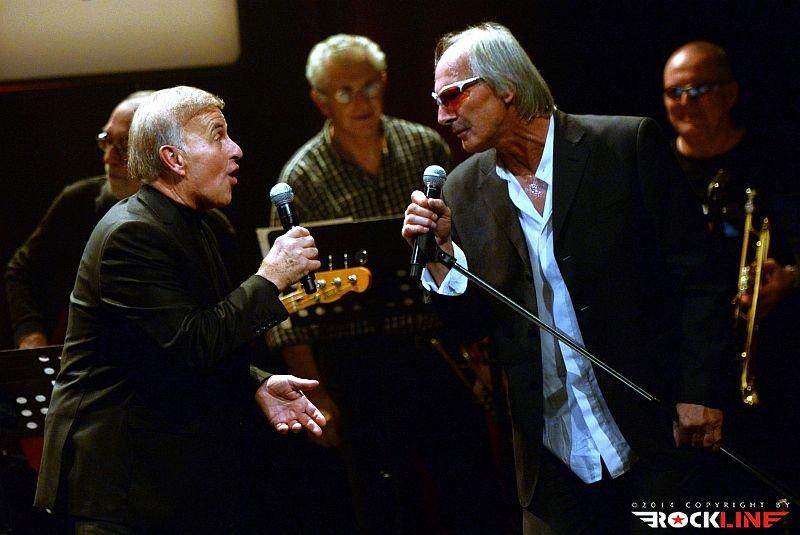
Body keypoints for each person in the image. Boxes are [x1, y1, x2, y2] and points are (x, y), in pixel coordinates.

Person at [403, 23, 730, 534]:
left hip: (654, 437)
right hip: (552, 458)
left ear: (506, 87)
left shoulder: (623, 146)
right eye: (437, 100)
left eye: (453, 95)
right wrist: (442, 258)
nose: (442, 116)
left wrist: (699, 389)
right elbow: (471, 327)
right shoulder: (463, 188)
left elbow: (699, 277)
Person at [34, 86, 326, 532]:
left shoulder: (196, 224)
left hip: (165, 482)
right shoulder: (132, 235)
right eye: (218, 135)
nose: (236, 150)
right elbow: (192, 343)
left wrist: (256, 383)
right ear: (173, 158)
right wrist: (270, 277)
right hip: (123, 490)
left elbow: (173, 346)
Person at [269, 34, 510, 534]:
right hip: (355, 366)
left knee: (469, 492)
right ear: (320, 100)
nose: (361, 101)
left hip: (435, 349)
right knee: (387, 506)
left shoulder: (423, 147)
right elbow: (287, 309)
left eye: (370, 86)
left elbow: (463, 252)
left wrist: (482, 357)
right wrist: (317, 395)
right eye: (344, 92)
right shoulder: (303, 175)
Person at [663, 41, 800, 496]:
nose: (686, 102)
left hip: (774, 361)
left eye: (699, 89)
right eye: (675, 92)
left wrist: (790, 279)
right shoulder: (656, 169)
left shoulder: (776, 161)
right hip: (687, 366)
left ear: (730, 93)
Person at [4, 91, 238, 350]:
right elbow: (21, 272)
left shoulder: (210, 226)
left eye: (124, 145)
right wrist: (31, 337)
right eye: (106, 140)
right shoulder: (80, 203)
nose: (108, 157)